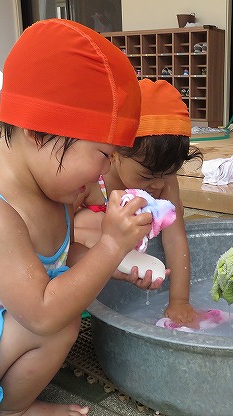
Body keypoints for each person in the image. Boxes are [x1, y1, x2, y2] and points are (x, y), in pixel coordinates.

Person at [0, 19, 157, 416]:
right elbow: (43, 314)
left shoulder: (56, 190)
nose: (106, 173)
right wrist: (110, 245)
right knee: (58, 322)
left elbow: (61, 258)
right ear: (38, 133)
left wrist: (117, 262)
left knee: (59, 303)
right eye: (103, 154)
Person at [74, 79, 203, 325]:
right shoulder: (91, 180)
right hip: (88, 261)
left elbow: (175, 239)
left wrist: (179, 301)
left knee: (169, 213)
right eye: (147, 176)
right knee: (95, 221)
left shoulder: (163, 181)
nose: (158, 185)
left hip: (126, 262)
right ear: (115, 154)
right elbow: (59, 240)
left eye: (168, 174)